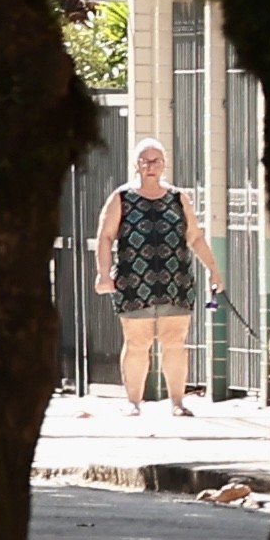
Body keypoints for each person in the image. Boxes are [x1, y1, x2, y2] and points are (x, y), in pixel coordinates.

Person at [106, 137, 217, 407]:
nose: (150, 166)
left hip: (175, 280)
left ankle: (177, 403)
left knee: (175, 341)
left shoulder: (178, 198)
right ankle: (134, 402)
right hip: (133, 280)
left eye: (155, 161)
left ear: (164, 164)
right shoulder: (122, 197)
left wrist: (214, 270)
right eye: (144, 161)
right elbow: (105, 236)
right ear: (136, 165)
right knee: (137, 342)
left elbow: (195, 237)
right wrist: (102, 273)